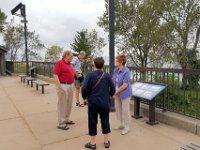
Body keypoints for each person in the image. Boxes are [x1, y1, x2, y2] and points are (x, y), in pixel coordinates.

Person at [82, 57, 115, 149]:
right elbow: (113, 89)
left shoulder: (90, 75)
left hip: (93, 103)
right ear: (103, 65)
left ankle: (93, 143)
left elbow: (84, 88)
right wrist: (110, 94)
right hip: (104, 102)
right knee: (105, 120)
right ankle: (106, 142)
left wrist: (84, 97)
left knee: (92, 121)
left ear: (94, 65)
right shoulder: (107, 75)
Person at [54, 50, 75, 130]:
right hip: (63, 85)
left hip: (70, 85)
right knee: (62, 104)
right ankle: (61, 122)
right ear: (66, 55)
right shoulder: (60, 63)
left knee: (69, 103)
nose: (72, 57)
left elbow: (72, 73)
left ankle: (66, 119)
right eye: (71, 56)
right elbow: (55, 75)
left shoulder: (70, 64)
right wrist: (59, 87)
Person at [112, 54, 132, 135]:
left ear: (121, 62)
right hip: (117, 93)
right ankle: (121, 124)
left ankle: (127, 127)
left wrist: (116, 92)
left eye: (117, 60)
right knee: (118, 109)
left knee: (125, 110)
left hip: (125, 94)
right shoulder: (116, 70)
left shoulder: (126, 71)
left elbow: (125, 85)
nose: (115, 62)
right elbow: (113, 80)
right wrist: (113, 91)